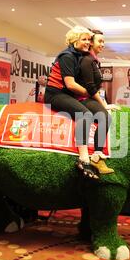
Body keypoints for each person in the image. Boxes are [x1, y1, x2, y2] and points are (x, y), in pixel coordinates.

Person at [44, 26, 99, 179]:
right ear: (74, 41)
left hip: (67, 95)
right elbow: (70, 84)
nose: (88, 42)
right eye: (84, 39)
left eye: (89, 39)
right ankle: (83, 158)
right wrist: (92, 94)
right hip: (55, 95)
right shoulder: (67, 56)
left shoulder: (80, 55)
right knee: (85, 115)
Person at [76, 28, 120, 174]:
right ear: (91, 42)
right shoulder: (87, 60)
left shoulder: (94, 61)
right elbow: (90, 87)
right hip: (82, 99)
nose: (103, 44)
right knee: (105, 116)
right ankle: (97, 157)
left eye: (103, 41)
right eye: (99, 41)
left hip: (89, 97)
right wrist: (105, 105)